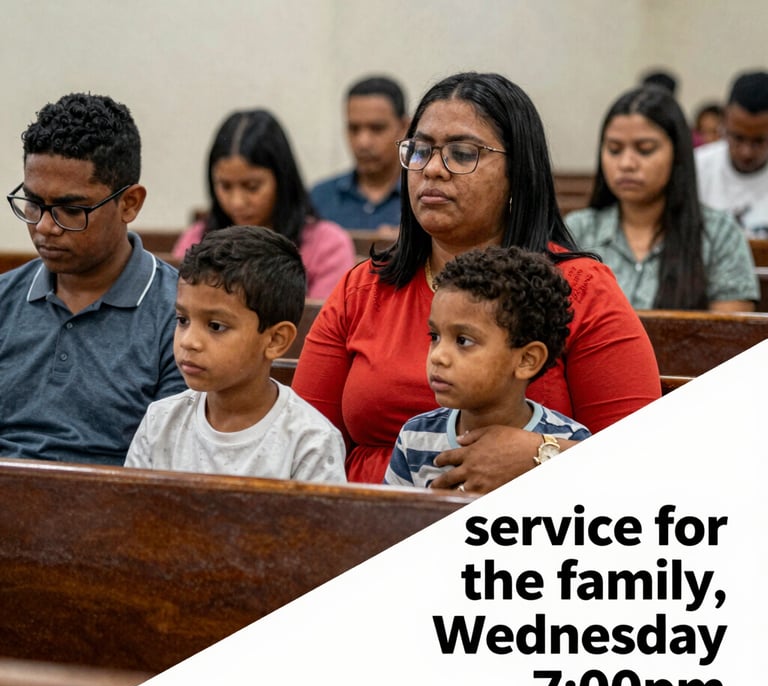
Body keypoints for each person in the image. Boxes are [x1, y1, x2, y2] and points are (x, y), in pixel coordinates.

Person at [292, 71, 661, 492]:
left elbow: (641, 458)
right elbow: (303, 443)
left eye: (462, 154)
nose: (432, 169)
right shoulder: (364, 290)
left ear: (517, 173)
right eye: (420, 151)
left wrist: (541, 455)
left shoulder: (580, 289)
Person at [0, 92, 186, 466]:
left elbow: (168, 467)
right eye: (33, 203)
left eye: (71, 210)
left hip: (119, 512)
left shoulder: (180, 314)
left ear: (130, 203)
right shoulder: (5, 299)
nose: (45, 227)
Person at [126, 225, 346, 482]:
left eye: (216, 326)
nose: (189, 341)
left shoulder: (310, 442)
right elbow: (130, 515)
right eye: (182, 320)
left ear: (275, 340)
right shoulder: (160, 422)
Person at [385, 246, 591, 488]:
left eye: (463, 341)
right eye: (435, 336)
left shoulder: (569, 441)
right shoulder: (415, 437)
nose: (438, 356)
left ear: (527, 360)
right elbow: (390, 523)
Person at [566, 86, 758, 311]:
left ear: (677, 154)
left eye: (645, 150)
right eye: (614, 149)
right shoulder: (578, 230)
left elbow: (729, 337)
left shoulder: (719, 233)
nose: (627, 163)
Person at [171, 109, 355, 298]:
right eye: (225, 186)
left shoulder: (327, 246)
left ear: (282, 180)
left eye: (252, 187)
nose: (237, 202)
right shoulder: (196, 240)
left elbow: (323, 324)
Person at [310, 76, 409, 237]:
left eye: (377, 129)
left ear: (404, 127)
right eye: (354, 129)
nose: (363, 142)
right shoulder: (319, 199)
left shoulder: (425, 197)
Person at [695, 70, 768, 239]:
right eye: (738, 137)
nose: (746, 151)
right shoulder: (696, 168)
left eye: (759, 141)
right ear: (724, 122)